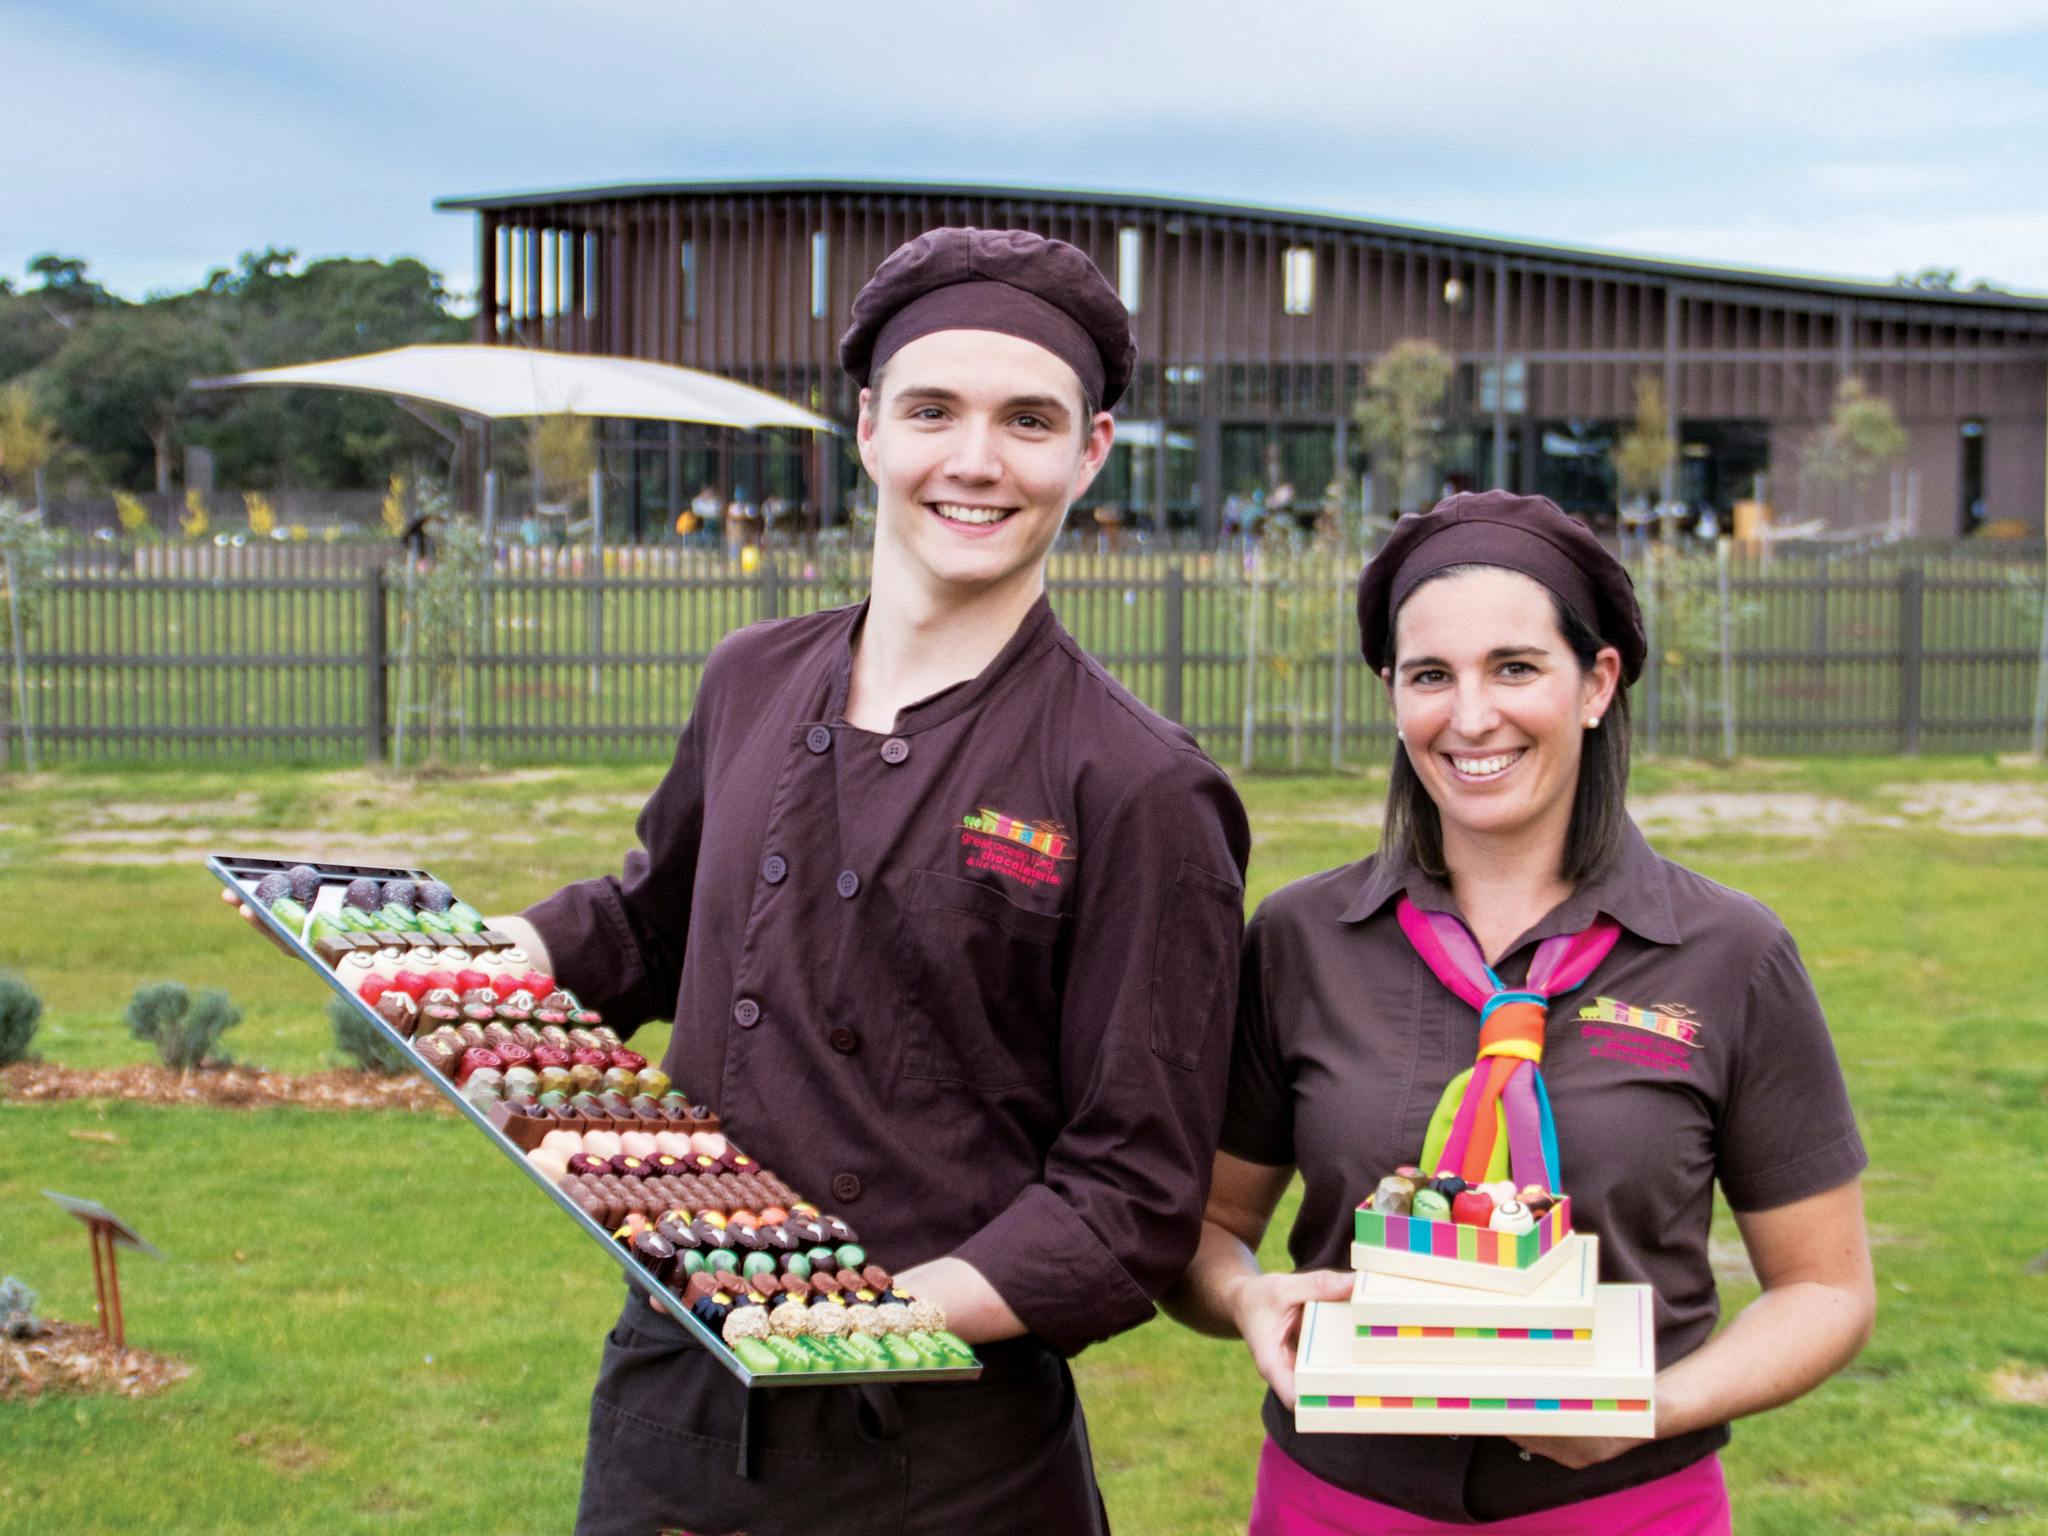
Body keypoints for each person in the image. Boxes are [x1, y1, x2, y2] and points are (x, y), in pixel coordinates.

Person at [500, 228, 1249, 1534]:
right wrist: (499, 954)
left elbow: (1133, 1187)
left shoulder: (1136, 787)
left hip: (944, 1451)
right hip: (673, 1401)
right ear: (866, 428)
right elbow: (655, 924)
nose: (975, 460)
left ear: (1093, 451)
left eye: (1028, 419)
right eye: (933, 410)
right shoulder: (750, 677)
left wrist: (880, 1318)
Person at [1165, 491, 1873, 1533]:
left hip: (1625, 1508)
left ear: (1594, 683)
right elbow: (1209, 1226)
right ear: (1390, 694)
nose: (1469, 717)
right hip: (1337, 1505)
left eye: (1513, 667)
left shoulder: (1731, 955)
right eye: (1428, 676)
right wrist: (1242, 1297)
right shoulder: (1298, 938)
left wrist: (1647, 1407)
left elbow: (1826, 1289)